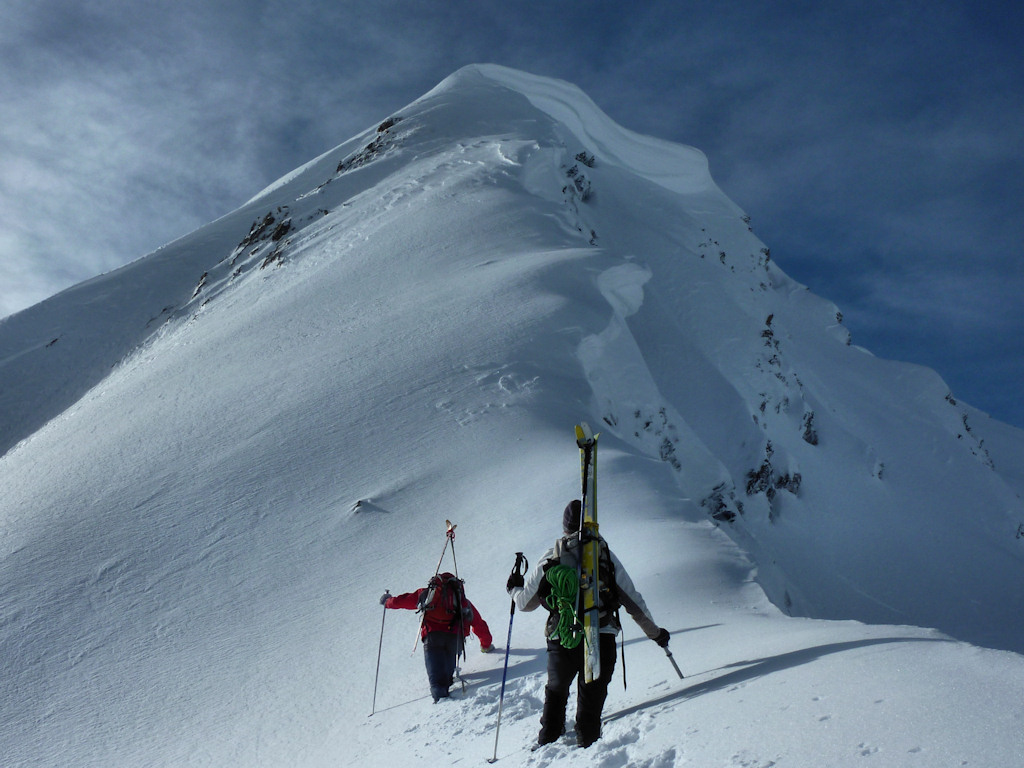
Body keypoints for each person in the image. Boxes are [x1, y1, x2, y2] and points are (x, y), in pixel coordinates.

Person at [506, 500, 671, 748]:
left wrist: (514, 589)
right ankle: (589, 745)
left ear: (565, 527)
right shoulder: (604, 555)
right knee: (591, 702)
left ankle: (548, 740)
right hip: (600, 634)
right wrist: (656, 634)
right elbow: (634, 602)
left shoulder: (552, 556)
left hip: (562, 636)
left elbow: (524, 603)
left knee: (556, 691)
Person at [380, 572, 493, 702]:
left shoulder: (426, 594)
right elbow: (479, 624)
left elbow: (403, 601)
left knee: (437, 681)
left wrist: (387, 601)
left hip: (432, 636)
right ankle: (446, 692)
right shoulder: (463, 602)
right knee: (446, 677)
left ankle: (441, 703)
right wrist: (486, 645)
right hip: (455, 639)